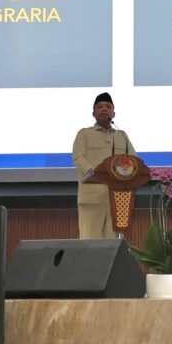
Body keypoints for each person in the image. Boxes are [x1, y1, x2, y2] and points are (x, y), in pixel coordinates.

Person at [72, 92, 135, 239]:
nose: (104, 109)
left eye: (108, 106)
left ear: (114, 113)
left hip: (116, 199)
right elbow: (78, 157)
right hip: (91, 199)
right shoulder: (84, 134)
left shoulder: (122, 136)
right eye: (100, 107)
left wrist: (125, 171)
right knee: (90, 243)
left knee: (112, 245)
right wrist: (92, 171)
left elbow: (133, 160)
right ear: (93, 113)